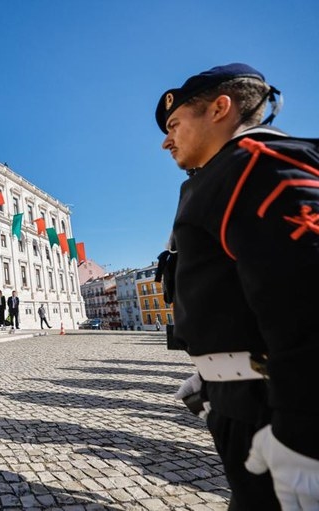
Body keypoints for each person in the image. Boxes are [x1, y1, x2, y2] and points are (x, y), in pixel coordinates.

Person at [156, 63, 319, 509]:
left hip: (276, 408)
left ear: (220, 108)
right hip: (240, 396)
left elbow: (307, 295)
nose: (166, 140)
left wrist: (304, 438)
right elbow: (242, 287)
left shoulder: (259, 164)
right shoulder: (225, 173)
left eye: (174, 125)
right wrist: (215, 366)